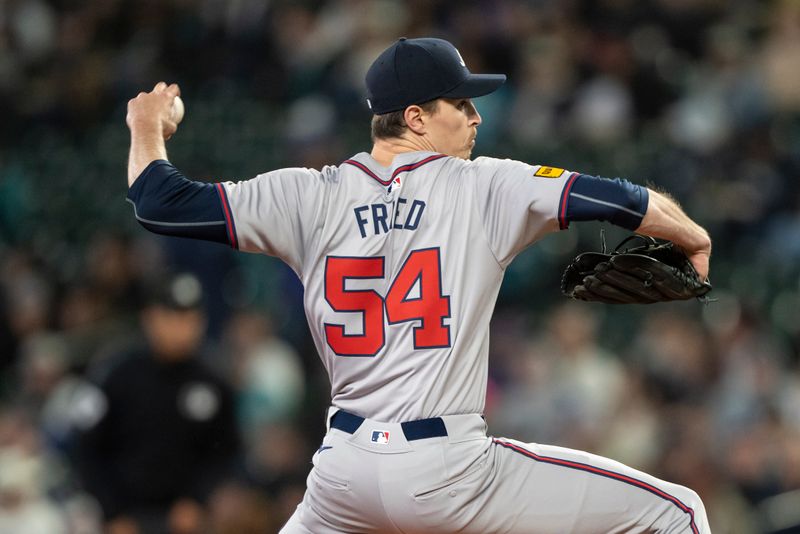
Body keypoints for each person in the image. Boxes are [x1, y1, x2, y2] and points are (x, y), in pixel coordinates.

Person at [124, 37, 712, 533]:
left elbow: (160, 202)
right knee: (678, 513)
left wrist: (146, 128)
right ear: (415, 117)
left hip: (342, 475)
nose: (476, 116)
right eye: (461, 102)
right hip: (447, 471)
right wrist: (692, 236)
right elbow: (618, 198)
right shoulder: (483, 185)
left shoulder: (305, 195)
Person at [73, 273, 240, 534]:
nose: (184, 328)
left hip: (185, 519)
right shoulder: (116, 374)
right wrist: (112, 512)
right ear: (149, 318)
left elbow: (225, 452)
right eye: (173, 317)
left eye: (191, 318)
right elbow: (87, 449)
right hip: (123, 517)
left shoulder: (212, 381)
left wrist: (197, 499)